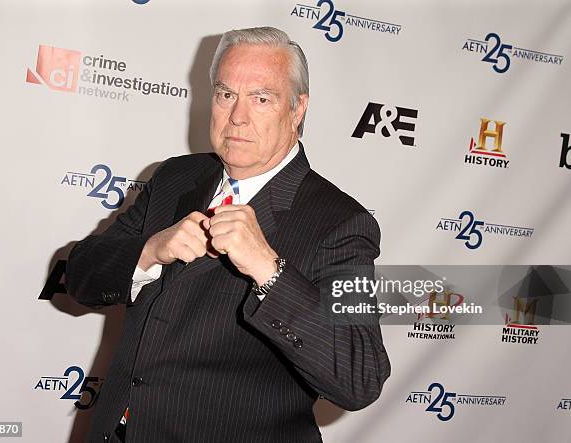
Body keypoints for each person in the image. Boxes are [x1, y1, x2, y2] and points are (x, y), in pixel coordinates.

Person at [66, 26, 390, 443]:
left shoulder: (341, 224)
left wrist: (268, 270)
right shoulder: (175, 177)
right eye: (225, 95)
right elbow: (80, 277)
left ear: (297, 109)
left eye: (261, 98)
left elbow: (360, 377)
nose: (238, 116)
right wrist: (149, 250)